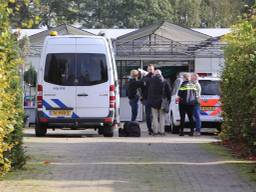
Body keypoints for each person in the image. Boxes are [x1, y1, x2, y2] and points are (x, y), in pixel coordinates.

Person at [148, 70, 171, 136]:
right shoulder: (165, 81)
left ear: (155, 74)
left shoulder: (151, 81)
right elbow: (169, 92)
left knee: (154, 117)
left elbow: (149, 92)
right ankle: (162, 131)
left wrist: (149, 101)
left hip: (153, 101)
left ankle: (155, 131)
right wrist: (168, 100)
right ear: (161, 74)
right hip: (162, 101)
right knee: (162, 117)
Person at [140, 64, 155, 135]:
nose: (150, 70)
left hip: (155, 99)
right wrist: (142, 98)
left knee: (155, 115)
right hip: (147, 99)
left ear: (153, 69)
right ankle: (150, 129)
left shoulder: (157, 77)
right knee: (148, 115)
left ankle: (155, 128)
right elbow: (141, 89)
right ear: (147, 70)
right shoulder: (144, 79)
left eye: (151, 69)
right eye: (149, 69)